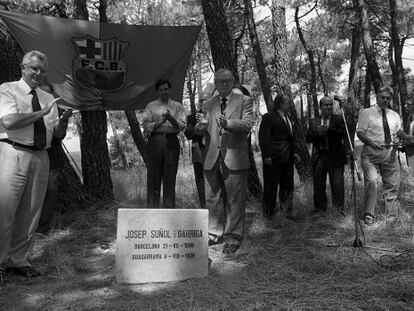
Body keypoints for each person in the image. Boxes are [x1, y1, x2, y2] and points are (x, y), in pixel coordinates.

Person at [0, 50, 68, 286]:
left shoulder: (49, 97)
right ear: (23, 67)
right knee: (5, 211)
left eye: (42, 70)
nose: (38, 73)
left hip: (42, 156)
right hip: (13, 152)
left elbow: (57, 135)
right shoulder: (7, 89)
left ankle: (18, 262)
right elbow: (9, 121)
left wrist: (64, 122)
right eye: (34, 68)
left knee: (30, 213)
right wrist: (41, 113)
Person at [195, 68, 254, 254]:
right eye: (220, 81)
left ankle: (233, 238)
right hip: (211, 157)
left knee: (235, 200)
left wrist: (228, 124)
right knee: (212, 198)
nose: (224, 84)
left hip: (234, 157)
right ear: (215, 82)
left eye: (227, 81)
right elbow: (200, 131)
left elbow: (247, 124)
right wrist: (201, 126)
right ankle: (213, 234)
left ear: (233, 81)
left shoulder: (244, 100)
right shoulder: (209, 103)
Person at [356, 86, 402, 225]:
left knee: (393, 185)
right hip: (371, 153)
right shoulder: (366, 112)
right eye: (382, 97)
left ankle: (392, 217)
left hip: (389, 153)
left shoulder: (394, 115)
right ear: (377, 97)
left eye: (388, 98)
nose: (385, 100)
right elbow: (360, 132)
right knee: (372, 183)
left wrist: (397, 143)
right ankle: (369, 214)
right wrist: (370, 142)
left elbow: (397, 134)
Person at [143, 79, 187, 209]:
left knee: (170, 176)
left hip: (172, 141)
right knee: (153, 177)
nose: (164, 92)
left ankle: (169, 212)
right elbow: (146, 126)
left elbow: (181, 126)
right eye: (161, 90)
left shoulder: (177, 106)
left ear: (170, 89)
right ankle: (152, 210)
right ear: (158, 91)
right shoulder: (151, 106)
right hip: (155, 141)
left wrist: (171, 118)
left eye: (166, 89)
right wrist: (161, 120)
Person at [37, 83, 72, 233]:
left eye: (48, 93)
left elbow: (58, 136)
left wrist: (63, 120)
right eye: (42, 93)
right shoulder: (32, 109)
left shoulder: (59, 111)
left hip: (53, 157)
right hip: (34, 155)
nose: (45, 96)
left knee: (50, 192)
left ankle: (43, 228)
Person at [259, 93, 299, 220]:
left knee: (287, 186)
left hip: (288, 159)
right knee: (271, 187)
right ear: (280, 104)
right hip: (273, 159)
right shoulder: (269, 117)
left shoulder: (288, 118)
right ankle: (268, 214)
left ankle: (287, 211)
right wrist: (267, 156)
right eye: (288, 103)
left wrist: (294, 153)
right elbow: (263, 138)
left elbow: (289, 139)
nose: (290, 105)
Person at [306, 96, 348, 215]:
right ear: (320, 107)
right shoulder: (314, 121)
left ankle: (338, 211)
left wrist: (329, 130)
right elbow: (308, 138)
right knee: (319, 185)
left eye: (330, 104)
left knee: (337, 186)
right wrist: (318, 133)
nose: (329, 107)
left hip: (335, 157)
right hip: (319, 157)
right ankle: (320, 211)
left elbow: (343, 134)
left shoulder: (339, 119)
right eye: (326, 105)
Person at [184, 95, 207, 209]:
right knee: (200, 177)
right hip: (198, 150)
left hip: (214, 149)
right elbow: (188, 135)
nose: (205, 104)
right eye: (203, 102)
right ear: (200, 104)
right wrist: (197, 128)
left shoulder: (215, 115)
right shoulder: (192, 117)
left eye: (208, 101)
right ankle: (203, 204)